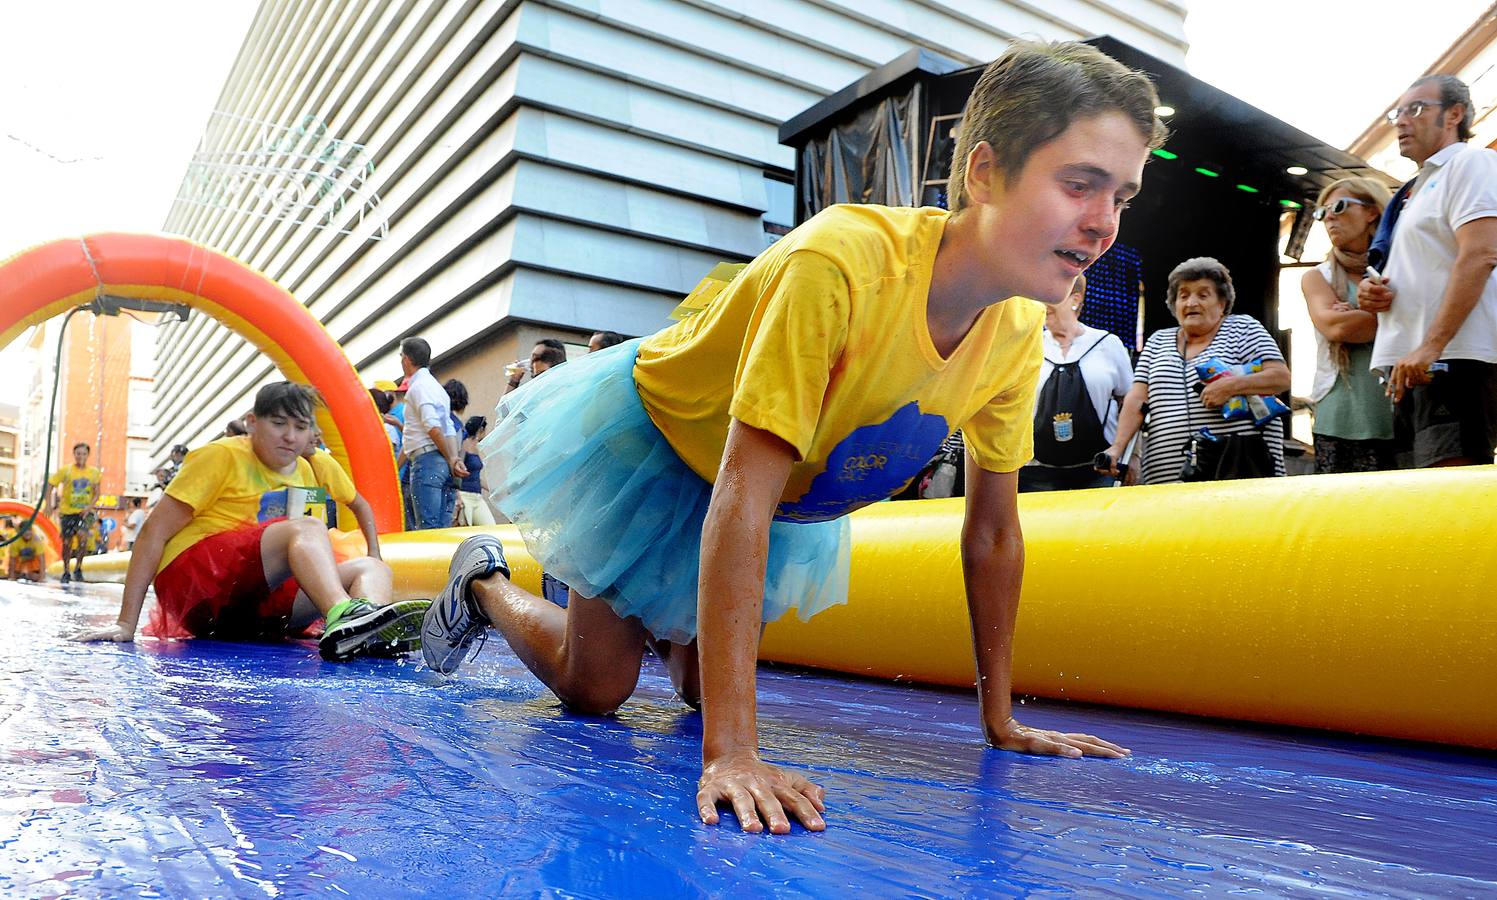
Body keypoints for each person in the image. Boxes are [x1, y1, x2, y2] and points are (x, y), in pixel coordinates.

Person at [424, 40, 1162, 834]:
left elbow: (991, 534)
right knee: (597, 687)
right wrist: (731, 754)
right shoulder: (841, 264)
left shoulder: (1016, 332)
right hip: (662, 446)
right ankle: (483, 582)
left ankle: (676, 649)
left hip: (770, 498)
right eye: (1079, 185)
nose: (1103, 224)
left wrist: (1000, 716)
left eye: (1121, 195)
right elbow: (742, 492)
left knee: (704, 692)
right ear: (983, 174)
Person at [73, 382, 427, 661]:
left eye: (300, 427)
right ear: (252, 423)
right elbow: (153, 533)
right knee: (307, 527)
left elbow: (347, 511)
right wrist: (125, 622)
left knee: (374, 569)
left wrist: (373, 554)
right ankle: (343, 615)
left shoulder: (306, 469)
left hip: (254, 609)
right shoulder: (220, 456)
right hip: (200, 588)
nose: (290, 436)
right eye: (278, 423)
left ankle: (367, 632)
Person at [1360, 75, 1497, 468]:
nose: (1402, 121)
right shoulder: (1411, 191)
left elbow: (1482, 253)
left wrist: (1430, 346)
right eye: (1397, 113)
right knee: (1421, 509)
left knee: (1453, 507)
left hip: (1452, 360)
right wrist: (1376, 296)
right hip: (1411, 367)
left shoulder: (1471, 162)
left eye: (1416, 109)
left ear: (1455, 114)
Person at [1102, 258, 1290, 484]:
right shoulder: (1158, 341)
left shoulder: (1243, 328)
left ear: (1222, 304)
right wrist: (1117, 448)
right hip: (1167, 477)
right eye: (1183, 295)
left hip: (1238, 470)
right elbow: (1137, 399)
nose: (1191, 302)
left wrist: (1230, 386)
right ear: (1174, 305)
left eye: (1203, 295)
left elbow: (1280, 377)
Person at [1302, 179, 1397, 473]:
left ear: (1372, 212)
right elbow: (1338, 329)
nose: (1329, 217)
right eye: (1322, 212)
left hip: (1400, 414)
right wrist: (1394, 312)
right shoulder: (1318, 276)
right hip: (1340, 417)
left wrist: (1356, 311)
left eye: (1339, 207)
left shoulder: (1400, 265)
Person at [1020, 274, 1133, 490]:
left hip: (1097, 471)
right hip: (1035, 471)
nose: (1044, 303)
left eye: (1052, 294)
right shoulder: (1027, 345)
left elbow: (1129, 402)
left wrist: (1130, 454)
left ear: (1075, 299)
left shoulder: (1108, 344)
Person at [399, 337, 466, 530]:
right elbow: (447, 428)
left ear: (406, 359)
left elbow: (433, 428)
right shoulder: (437, 388)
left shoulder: (419, 388)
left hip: (427, 462)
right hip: (442, 465)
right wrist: (452, 458)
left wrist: (451, 458)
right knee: (441, 530)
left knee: (427, 530)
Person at [300, 428, 383, 554]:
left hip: (314, 552)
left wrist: (374, 552)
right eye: (305, 426)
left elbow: (360, 505)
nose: (318, 432)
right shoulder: (262, 467)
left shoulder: (318, 460)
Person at [47, 442, 101, 584]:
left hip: (85, 512)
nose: (81, 456)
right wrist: (48, 505)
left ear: (88, 455)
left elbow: (96, 493)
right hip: (67, 512)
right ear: (74, 454)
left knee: (83, 539)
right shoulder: (66, 470)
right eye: (78, 453)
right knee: (67, 543)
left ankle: (78, 568)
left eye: (84, 454)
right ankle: (66, 571)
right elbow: (50, 484)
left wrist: (89, 507)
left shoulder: (93, 473)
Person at [455, 416, 495, 526]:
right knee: (466, 530)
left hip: (477, 496)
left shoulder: (476, 448)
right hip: (464, 495)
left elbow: (475, 477)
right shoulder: (463, 445)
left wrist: (493, 490)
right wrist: (457, 496)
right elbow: (456, 471)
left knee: (490, 526)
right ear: (481, 430)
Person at [504, 339, 568, 394]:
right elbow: (504, 407)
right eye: (532, 357)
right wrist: (513, 381)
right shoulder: (533, 392)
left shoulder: (564, 392)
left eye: (536, 356)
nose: (531, 361)